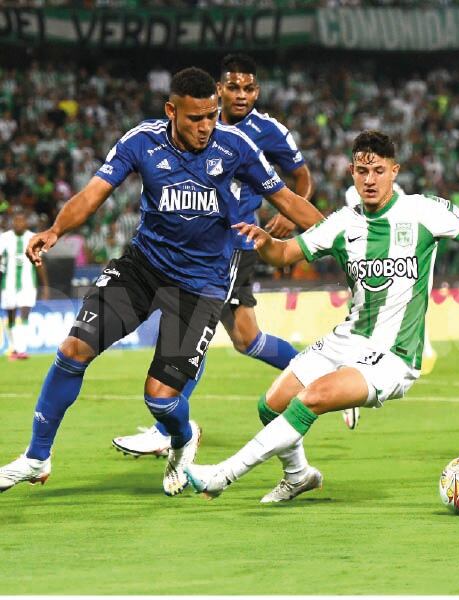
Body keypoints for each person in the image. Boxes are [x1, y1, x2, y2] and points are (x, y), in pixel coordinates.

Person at [183, 130, 459, 503]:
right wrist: (266, 243)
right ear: (351, 172)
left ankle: (224, 474)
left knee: (314, 398)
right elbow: (285, 255)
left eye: (378, 170)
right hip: (347, 338)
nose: (369, 179)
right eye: (362, 170)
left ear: (395, 171)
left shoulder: (423, 212)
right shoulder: (341, 223)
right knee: (270, 405)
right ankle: (299, 475)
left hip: (394, 354)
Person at [0, 67, 322, 496]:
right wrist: (56, 230)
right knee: (73, 348)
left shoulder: (236, 147)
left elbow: (288, 201)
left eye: (211, 115)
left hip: (201, 283)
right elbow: (95, 192)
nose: (206, 126)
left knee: (160, 398)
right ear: (171, 110)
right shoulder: (142, 141)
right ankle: (36, 457)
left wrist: (344, 240)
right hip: (142, 268)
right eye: (195, 118)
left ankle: (182, 437)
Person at [111, 53, 317, 458]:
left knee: (194, 328)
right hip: (200, 247)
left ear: (257, 91)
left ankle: (166, 426)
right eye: (234, 87)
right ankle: (318, 373)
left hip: (233, 246)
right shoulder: (195, 124)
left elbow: (300, 179)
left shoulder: (266, 131)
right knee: (247, 339)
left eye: (249, 88)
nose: (242, 95)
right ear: (218, 91)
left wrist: (290, 216)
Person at [340, 182, 438, 430]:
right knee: (367, 323)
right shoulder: (363, 196)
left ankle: (351, 378)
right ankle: (349, 382)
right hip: (374, 268)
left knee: (400, 313)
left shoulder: (404, 200)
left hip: (392, 267)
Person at [1, 211, 49, 360]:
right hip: (7, 284)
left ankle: (21, 349)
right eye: (16, 221)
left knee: (24, 314)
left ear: (26, 223)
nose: (19, 224)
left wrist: (45, 286)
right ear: (12, 222)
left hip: (28, 284)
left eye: (22, 221)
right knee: (10, 316)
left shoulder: (33, 238)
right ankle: (14, 348)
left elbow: (39, 264)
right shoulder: (4, 238)